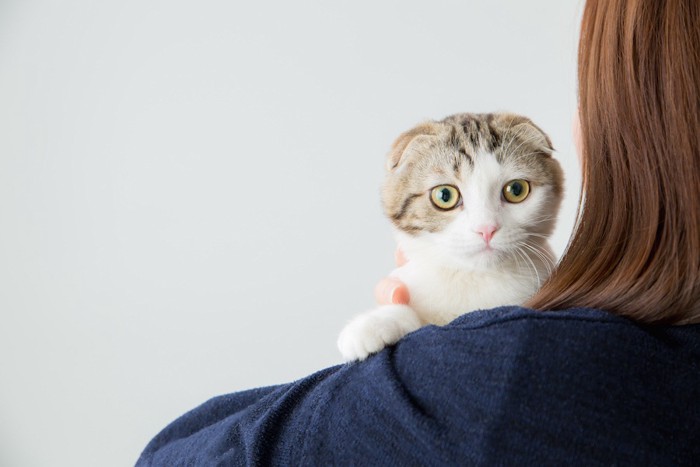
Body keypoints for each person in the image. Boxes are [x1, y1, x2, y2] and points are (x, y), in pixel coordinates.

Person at [137, 0, 700, 464]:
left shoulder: (519, 371)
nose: (484, 227)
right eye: (447, 198)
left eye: (590, 94)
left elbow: (173, 455)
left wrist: (410, 376)